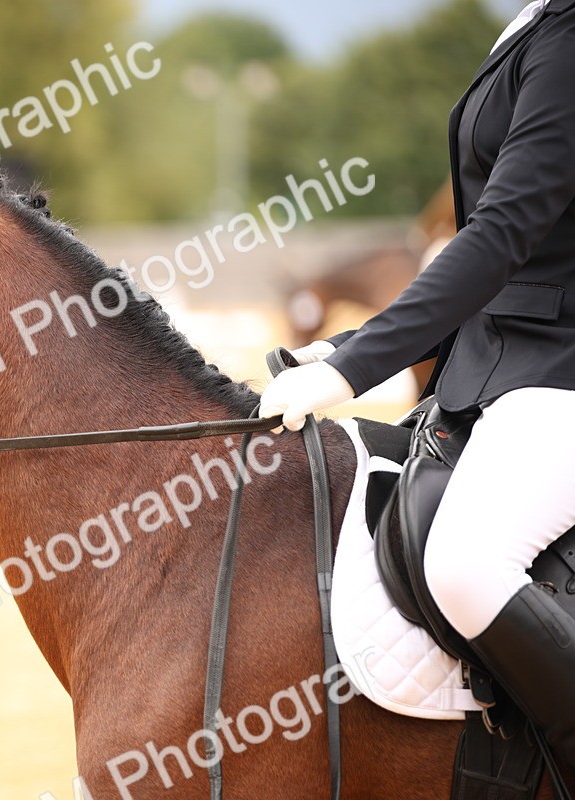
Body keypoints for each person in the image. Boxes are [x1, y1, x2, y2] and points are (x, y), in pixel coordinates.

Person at [259, 0, 575, 767]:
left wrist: (349, 372)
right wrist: (346, 344)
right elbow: (490, 259)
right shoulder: (537, 23)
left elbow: (500, 238)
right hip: (505, 365)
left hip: (560, 370)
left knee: (466, 563)